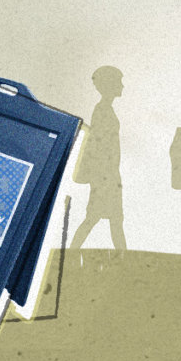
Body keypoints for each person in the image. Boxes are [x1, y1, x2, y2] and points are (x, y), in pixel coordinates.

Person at [70, 66, 126, 251]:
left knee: (111, 219)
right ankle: (72, 251)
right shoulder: (102, 110)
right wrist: (106, 174)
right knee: (101, 218)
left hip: (108, 173)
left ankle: (123, 257)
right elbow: (100, 144)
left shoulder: (104, 109)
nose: (122, 86)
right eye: (118, 81)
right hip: (105, 174)